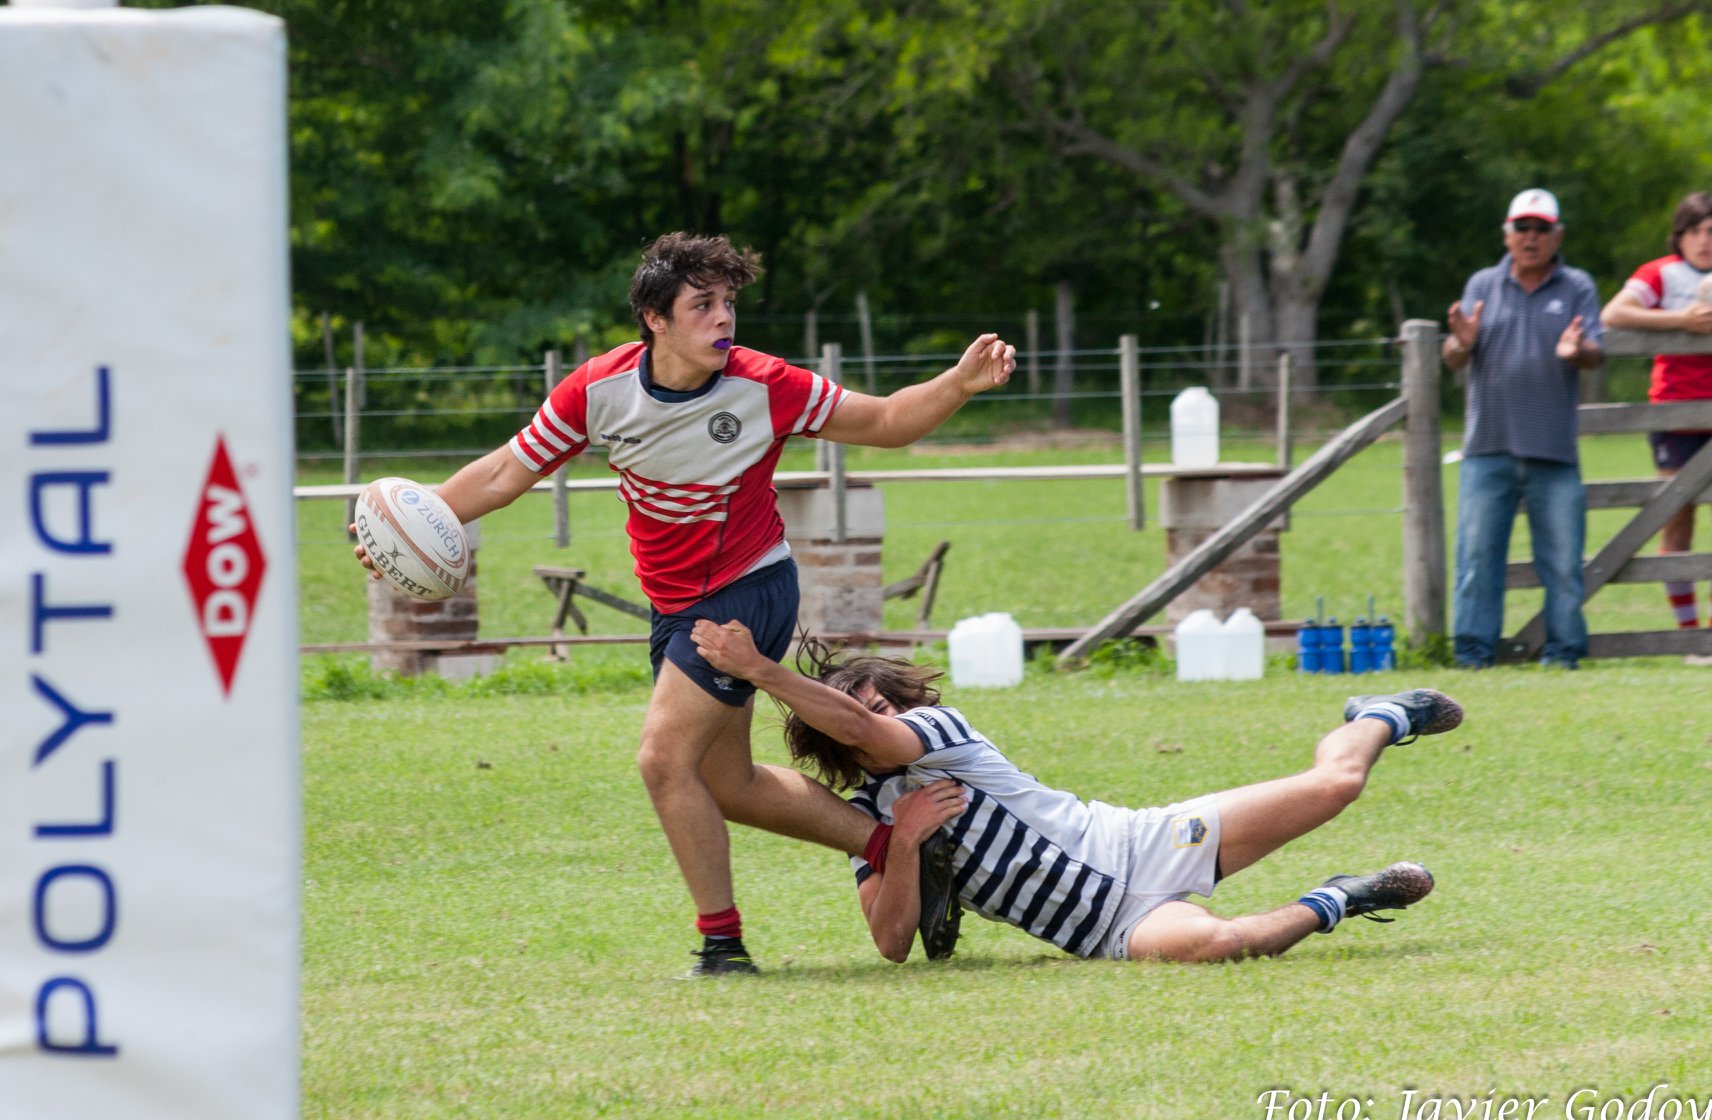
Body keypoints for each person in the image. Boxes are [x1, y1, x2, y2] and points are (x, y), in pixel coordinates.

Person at [353, 232, 1016, 976]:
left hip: (749, 589)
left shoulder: (764, 385)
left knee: (663, 760)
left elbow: (888, 421)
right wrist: (410, 528)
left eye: (729, 303)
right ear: (653, 318)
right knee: (727, 785)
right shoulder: (599, 391)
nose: (723, 319)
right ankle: (889, 844)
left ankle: (722, 947)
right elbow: (509, 469)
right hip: (675, 604)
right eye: (703, 305)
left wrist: (957, 384)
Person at [691, 620, 1460, 964]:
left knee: (1339, 782)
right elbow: (892, 946)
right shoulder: (867, 819)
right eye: (856, 716)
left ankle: (1381, 716)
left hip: (1143, 841)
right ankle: (1343, 899)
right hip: (1109, 930)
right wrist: (904, 845)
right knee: (1218, 945)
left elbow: (879, 736)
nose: (877, 721)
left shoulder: (943, 733)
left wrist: (762, 671)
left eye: (881, 705)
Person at [1443, 188, 1604, 670]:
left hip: (1553, 450)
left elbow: (1597, 349)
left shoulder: (1576, 285)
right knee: (1476, 559)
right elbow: (1452, 355)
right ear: (1507, 234)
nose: (1530, 238)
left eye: (1540, 229)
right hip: (1487, 447)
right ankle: (1472, 654)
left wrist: (1578, 352)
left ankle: (1564, 653)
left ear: (1558, 235)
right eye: (1522, 228)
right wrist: (1461, 343)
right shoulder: (1482, 285)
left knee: (1561, 562)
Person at [1599, 191, 1712, 657]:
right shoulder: (1661, 273)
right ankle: (1689, 636)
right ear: (1680, 236)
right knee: (1675, 521)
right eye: (1697, 231)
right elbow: (1613, 313)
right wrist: (1680, 320)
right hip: (1675, 414)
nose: (1706, 240)